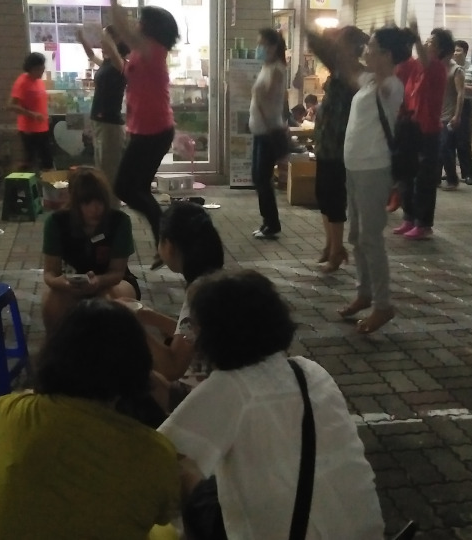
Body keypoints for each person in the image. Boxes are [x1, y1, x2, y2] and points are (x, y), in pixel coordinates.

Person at [159, 269, 385, 538]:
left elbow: (159, 454)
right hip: (366, 532)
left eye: (192, 327)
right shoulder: (309, 371)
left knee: (184, 471)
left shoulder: (229, 387)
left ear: (212, 335)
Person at [0, 299, 180, 539]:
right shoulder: (156, 453)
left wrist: (28, 397)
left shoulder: (12, 412)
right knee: (165, 533)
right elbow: (163, 513)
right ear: (138, 369)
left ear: (53, 353)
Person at [321, 26, 412, 335]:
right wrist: (339, 45)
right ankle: (364, 293)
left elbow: (384, 86)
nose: (366, 51)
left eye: (371, 47)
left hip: (374, 169)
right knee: (357, 236)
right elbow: (346, 68)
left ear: (387, 54)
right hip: (355, 167)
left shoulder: (391, 86)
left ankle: (383, 305)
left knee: (371, 238)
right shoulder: (369, 81)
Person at [110, 0, 180, 269]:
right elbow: (124, 67)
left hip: (154, 130)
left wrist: (114, 5)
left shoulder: (153, 49)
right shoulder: (142, 53)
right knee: (135, 189)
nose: (137, 24)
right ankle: (166, 240)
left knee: (125, 188)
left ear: (150, 27)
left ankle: (166, 237)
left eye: (141, 20)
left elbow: (123, 28)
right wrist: (106, 41)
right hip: (146, 130)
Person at [41, 167, 140, 337]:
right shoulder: (56, 222)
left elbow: (117, 272)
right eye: (86, 203)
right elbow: (50, 272)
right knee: (52, 304)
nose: (95, 209)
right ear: (74, 203)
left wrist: (98, 281)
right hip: (73, 282)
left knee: (107, 304)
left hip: (112, 281)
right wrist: (62, 283)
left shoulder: (119, 221)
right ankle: (57, 347)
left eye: (100, 201)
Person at [131, 202, 224, 382]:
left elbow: (173, 367)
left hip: (223, 388)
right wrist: (148, 316)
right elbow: (192, 334)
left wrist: (130, 323)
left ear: (169, 246)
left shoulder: (200, 293)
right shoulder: (218, 279)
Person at [306, 26, 369, 274]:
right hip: (327, 142)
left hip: (340, 145)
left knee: (333, 198)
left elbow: (321, 48)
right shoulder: (341, 69)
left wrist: (312, 34)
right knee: (323, 194)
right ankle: (331, 244)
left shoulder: (355, 73)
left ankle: (337, 251)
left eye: (341, 41)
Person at [392, 24, 453, 240]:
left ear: (441, 49)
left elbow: (425, 61)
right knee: (408, 175)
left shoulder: (436, 68)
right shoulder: (416, 67)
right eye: (427, 40)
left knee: (424, 179)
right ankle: (409, 218)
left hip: (428, 130)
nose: (427, 44)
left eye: (431, 42)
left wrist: (416, 36)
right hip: (412, 127)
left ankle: (423, 223)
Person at [79, 26, 129, 197]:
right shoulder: (107, 63)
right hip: (99, 122)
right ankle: (104, 204)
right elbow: (91, 56)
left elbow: (111, 49)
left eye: (104, 39)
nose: (101, 42)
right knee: (101, 169)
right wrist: (82, 39)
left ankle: (112, 206)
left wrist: (105, 32)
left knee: (109, 172)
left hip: (110, 124)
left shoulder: (120, 64)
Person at [248, 28, 289, 240]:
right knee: (259, 178)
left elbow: (269, 97)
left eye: (262, 44)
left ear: (273, 46)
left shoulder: (277, 69)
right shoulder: (266, 67)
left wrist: (254, 91)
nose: (259, 48)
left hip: (269, 131)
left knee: (262, 178)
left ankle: (271, 224)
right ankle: (267, 222)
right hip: (261, 131)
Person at [8, 52, 53, 172]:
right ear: (31, 68)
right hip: (29, 129)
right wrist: (32, 114)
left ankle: (46, 181)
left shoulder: (39, 81)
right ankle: (26, 181)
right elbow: (11, 105)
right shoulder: (22, 82)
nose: (42, 72)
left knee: (47, 160)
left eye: (43, 68)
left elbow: (38, 101)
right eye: (39, 69)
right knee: (30, 161)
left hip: (42, 126)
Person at [438, 43, 466, 191]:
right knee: (438, 147)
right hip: (438, 113)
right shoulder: (439, 67)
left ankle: (452, 179)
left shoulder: (456, 70)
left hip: (448, 115)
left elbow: (461, 93)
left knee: (445, 147)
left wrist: (457, 115)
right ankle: (436, 178)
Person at [452, 40, 472, 186]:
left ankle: (467, 174)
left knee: (463, 140)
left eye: (458, 50)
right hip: (450, 105)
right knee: (448, 140)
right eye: (454, 50)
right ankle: (450, 173)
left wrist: (460, 85)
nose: (455, 53)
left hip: (465, 106)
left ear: (465, 52)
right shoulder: (449, 67)